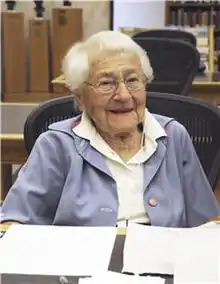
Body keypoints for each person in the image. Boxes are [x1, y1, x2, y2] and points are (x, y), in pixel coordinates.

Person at [1, 31, 219, 227]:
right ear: (80, 98)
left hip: (164, 265)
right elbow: (13, 221)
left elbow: (206, 223)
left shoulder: (173, 136)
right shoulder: (56, 145)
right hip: (78, 266)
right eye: (106, 83)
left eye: (133, 80)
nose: (124, 95)